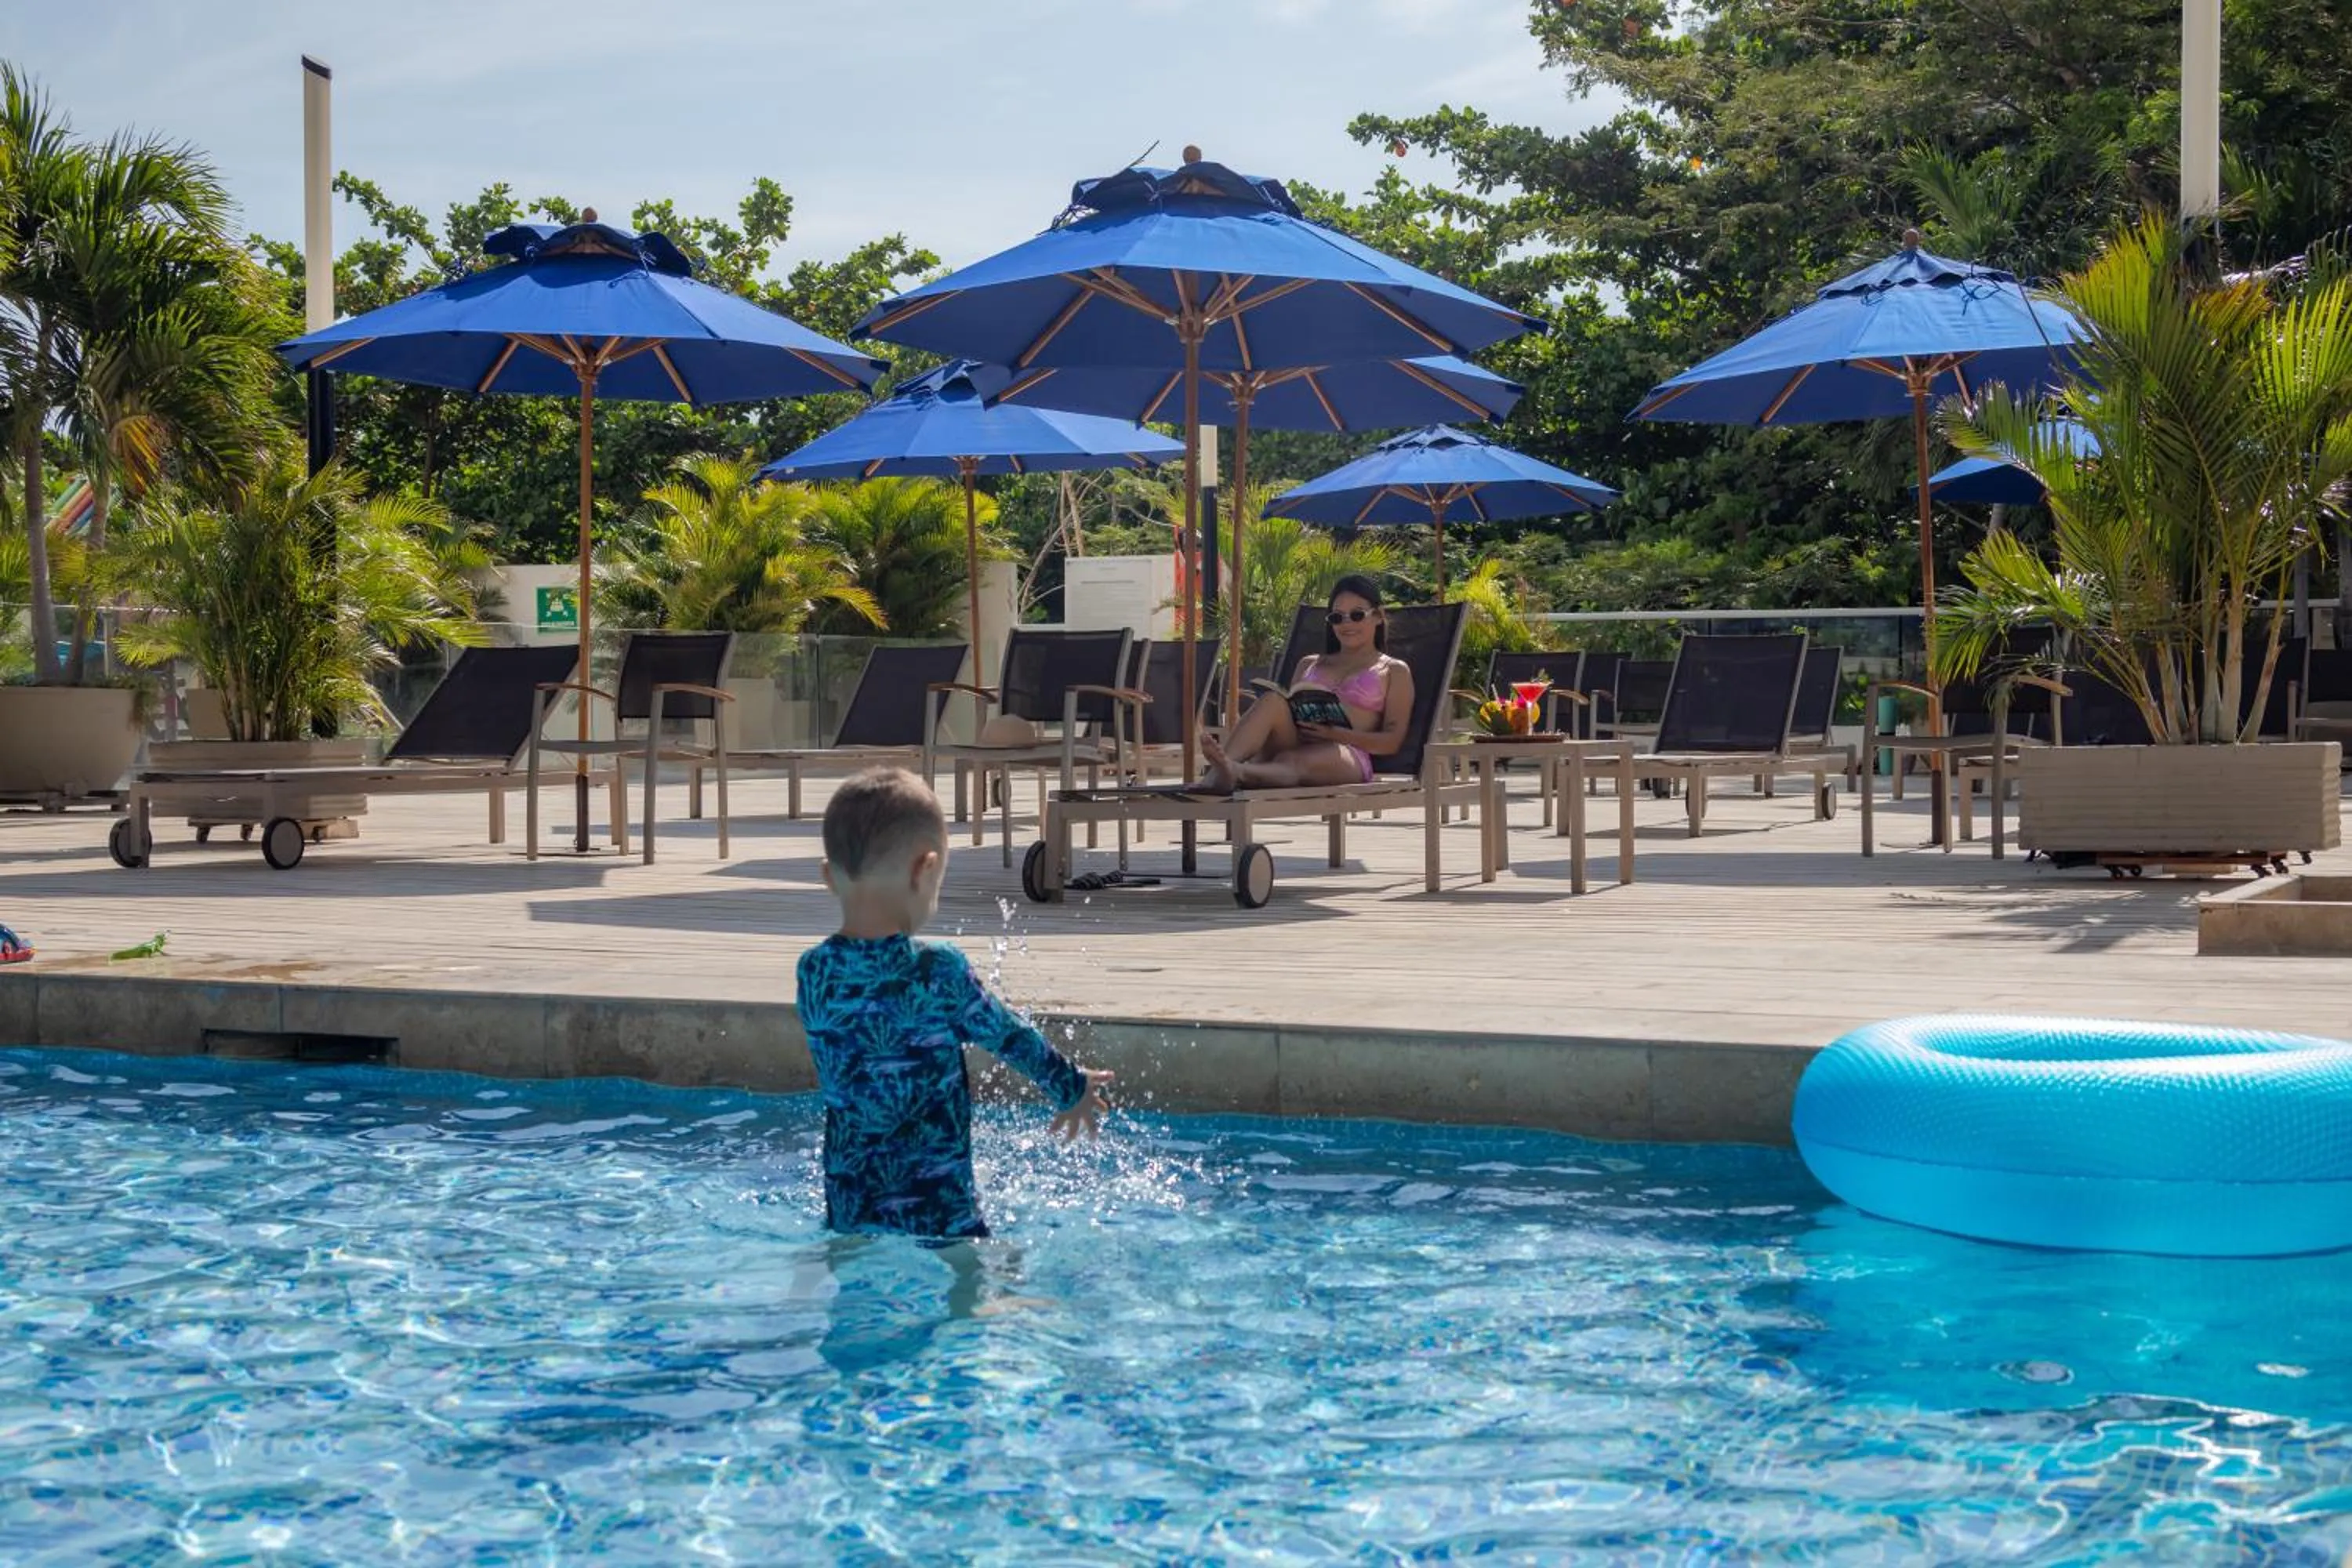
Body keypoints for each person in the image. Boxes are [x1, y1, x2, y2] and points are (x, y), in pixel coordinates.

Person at [796, 766, 1111, 1241]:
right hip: (940, 1205)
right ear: (924, 871)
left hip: (850, 1201)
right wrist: (1070, 1086)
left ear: (828, 877)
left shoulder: (813, 972)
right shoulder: (937, 971)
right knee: (980, 1274)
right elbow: (1008, 1036)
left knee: (849, 1269)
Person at [1198, 575, 1415, 793]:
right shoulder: (1309, 663)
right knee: (1273, 700)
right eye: (1337, 617)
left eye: (1357, 615)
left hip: (1347, 753)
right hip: (1298, 741)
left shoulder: (1393, 670)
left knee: (1293, 760)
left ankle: (1236, 772)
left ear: (1378, 616)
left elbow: (1392, 741)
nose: (1347, 623)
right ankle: (1219, 772)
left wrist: (1336, 735)